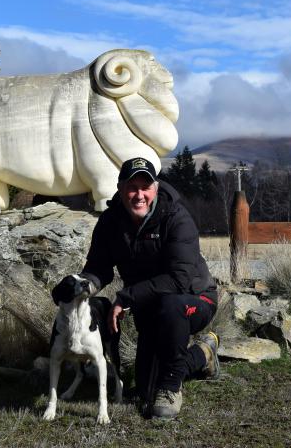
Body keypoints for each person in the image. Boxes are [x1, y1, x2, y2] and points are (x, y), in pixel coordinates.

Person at [79, 156, 219, 419]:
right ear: (120, 189)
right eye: (132, 187)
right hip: (150, 307)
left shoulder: (177, 217)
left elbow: (178, 280)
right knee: (145, 390)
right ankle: (203, 352)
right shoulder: (110, 222)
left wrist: (126, 297)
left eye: (146, 187)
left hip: (194, 300)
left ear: (155, 188)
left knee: (171, 305)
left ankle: (170, 388)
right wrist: (80, 289)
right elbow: (98, 268)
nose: (139, 195)